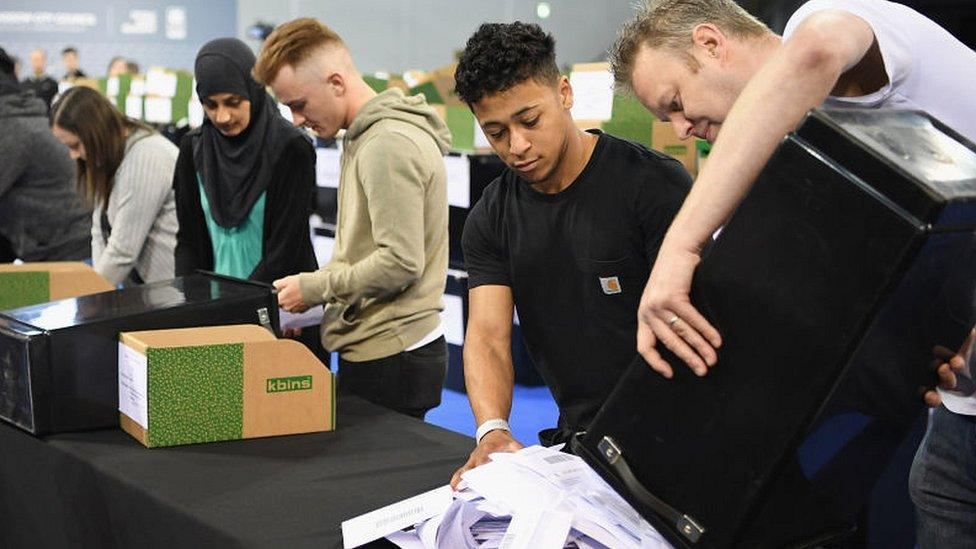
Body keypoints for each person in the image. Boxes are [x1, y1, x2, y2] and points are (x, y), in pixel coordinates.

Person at [611, 0, 976, 544]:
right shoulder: (815, 157)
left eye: (676, 104)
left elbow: (819, 47)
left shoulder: (819, 24)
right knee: (936, 490)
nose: (682, 129)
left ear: (711, 43)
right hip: (962, 408)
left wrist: (678, 249)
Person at [449, 22, 692, 487]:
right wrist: (491, 430)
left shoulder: (652, 186)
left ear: (564, 93)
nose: (516, 146)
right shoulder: (490, 218)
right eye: (496, 132)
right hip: (583, 447)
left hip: (682, 436)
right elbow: (488, 336)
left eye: (529, 120)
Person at [252, 18, 452, 419]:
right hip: (384, 345)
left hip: (392, 353)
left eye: (299, 104)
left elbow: (400, 262)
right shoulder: (365, 137)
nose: (295, 120)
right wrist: (311, 309)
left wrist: (315, 288)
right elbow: (366, 251)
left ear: (336, 83)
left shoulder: (385, 144)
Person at [173, 37, 317, 286]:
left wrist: (243, 302)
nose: (223, 116)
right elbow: (188, 240)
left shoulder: (290, 148)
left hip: (281, 302)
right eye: (211, 105)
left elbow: (286, 248)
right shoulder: (193, 149)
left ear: (253, 89)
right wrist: (190, 300)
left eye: (233, 102)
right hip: (213, 306)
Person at [50, 87, 178, 285]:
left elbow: (123, 251)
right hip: (146, 293)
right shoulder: (111, 156)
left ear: (95, 133)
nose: (73, 155)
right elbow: (99, 230)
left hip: (172, 296)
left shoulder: (146, 156)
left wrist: (90, 297)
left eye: (75, 146)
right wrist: (95, 289)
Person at [0, 46, 91, 262]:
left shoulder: (13, 127)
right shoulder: (18, 114)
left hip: (63, 257)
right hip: (42, 249)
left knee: (15, 292)